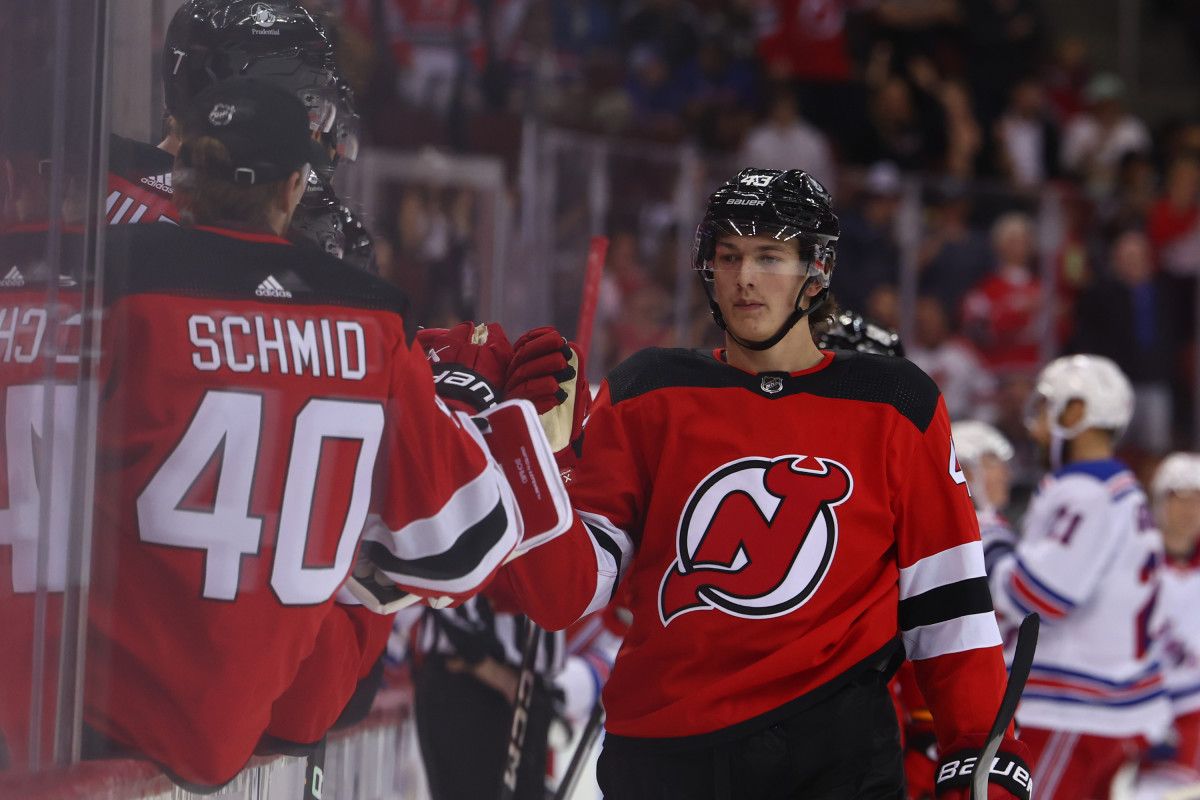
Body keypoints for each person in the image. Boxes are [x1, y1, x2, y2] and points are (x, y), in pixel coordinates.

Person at [82, 78, 566, 790]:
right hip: (260, 714)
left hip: (89, 700)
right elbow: (461, 548)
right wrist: (497, 428)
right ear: (294, 188)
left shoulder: (107, 279)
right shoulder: (370, 325)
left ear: (178, 178)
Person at [488, 168, 1032, 799]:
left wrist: (981, 749)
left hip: (835, 756)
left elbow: (949, 606)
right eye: (729, 256)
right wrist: (521, 450)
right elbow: (564, 595)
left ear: (815, 270)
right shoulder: (646, 391)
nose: (744, 277)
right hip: (667, 755)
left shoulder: (895, 402)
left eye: (769, 255)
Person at [989, 354, 1172, 799]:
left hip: (1075, 708)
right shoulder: (1112, 488)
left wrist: (989, 538)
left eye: (1050, 408)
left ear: (1076, 414)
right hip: (1103, 704)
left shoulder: (1086, 491)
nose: (1037, 424)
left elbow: (1038, 597)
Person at [1135, 453, 1200, 795]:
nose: (1189, 510)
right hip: (1141, 714)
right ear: (1160, 503)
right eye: (1180, 499)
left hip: (1192, 719)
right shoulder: (1137, 566)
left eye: (1197, 500)